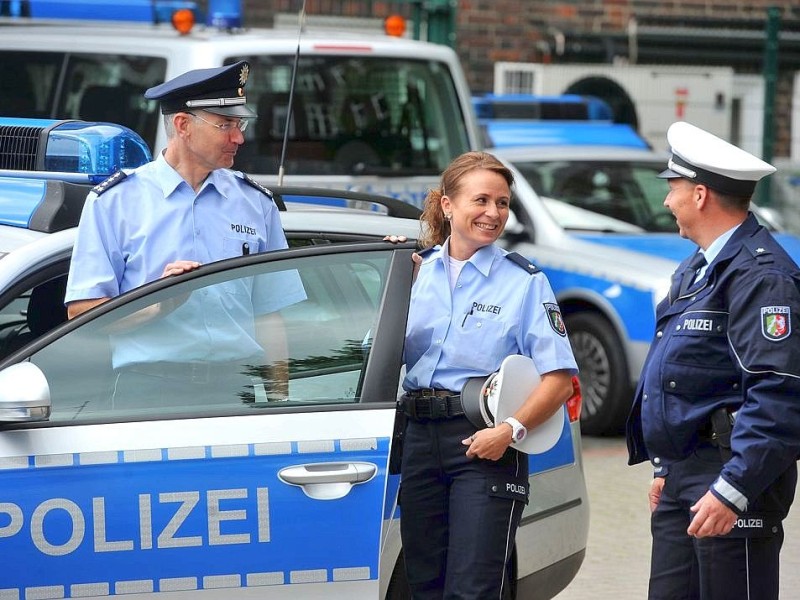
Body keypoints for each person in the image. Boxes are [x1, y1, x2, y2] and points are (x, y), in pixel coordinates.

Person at [64, 61, 305, 406]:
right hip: (148, 391)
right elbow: (83, 314)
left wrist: (281, 401)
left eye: (240, 124)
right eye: (226, 125)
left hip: (234, 389)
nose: (239, 137)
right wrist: (156, 306)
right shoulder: (114, 202)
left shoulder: (256, 203)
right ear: (182, 125)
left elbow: (270, 315)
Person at [626, 121, 800, 599]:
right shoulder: (697, 268)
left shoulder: (762, 277)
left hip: (729, 478)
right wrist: (666, 468)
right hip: (685, 476)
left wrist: (733, 489)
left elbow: (779, 394)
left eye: (673, 188)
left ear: (700, 195)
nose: (667, 201)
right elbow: (683, 375)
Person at [398, 151, 578, 598]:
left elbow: (560, 380)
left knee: (473, 589)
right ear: (447, 205)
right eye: (481, 200)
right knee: (423, 585)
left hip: (486, 443)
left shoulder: (524, 282)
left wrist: (509, 431)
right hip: (419, 439)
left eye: (501, 203)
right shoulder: (414, 272)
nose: (493, 213)